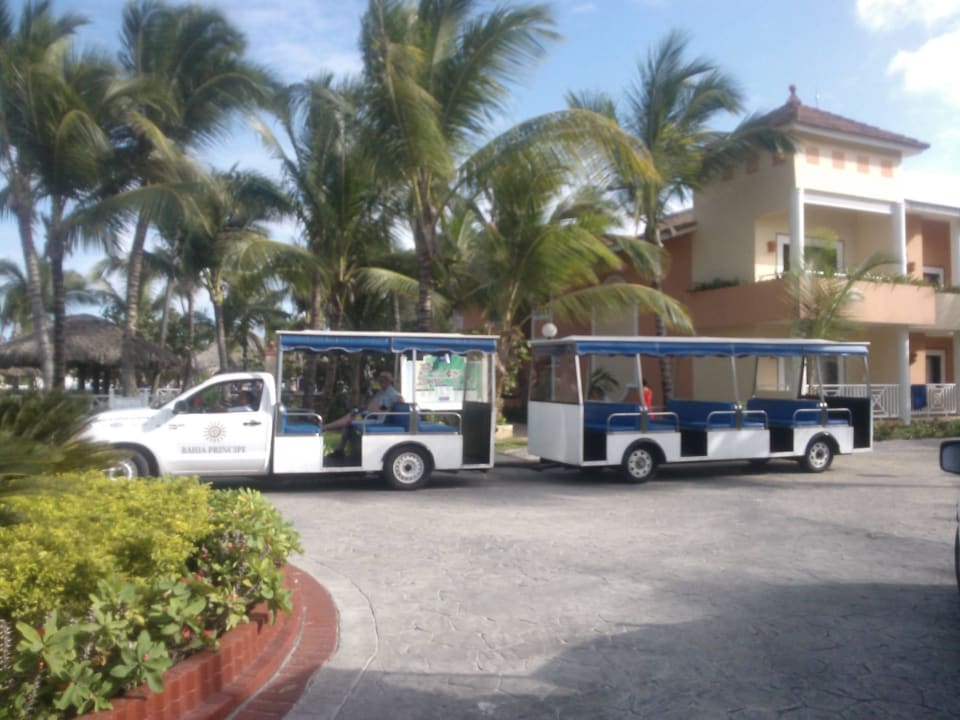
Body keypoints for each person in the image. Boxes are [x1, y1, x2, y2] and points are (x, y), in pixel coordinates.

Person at [325, 371, 404, 456]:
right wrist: (364, 408)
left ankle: (325, 428)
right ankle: (339, 450)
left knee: (349, 420)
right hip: (368, 415)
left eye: (383, 381)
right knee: (350, 418)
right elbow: (375, 405)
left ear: (389, 381)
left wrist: (377, 409)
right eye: (380, 381)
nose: (381, 383)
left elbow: (387, 406)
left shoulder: (391, 394)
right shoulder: (382, 392)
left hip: (374, 418)